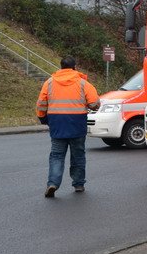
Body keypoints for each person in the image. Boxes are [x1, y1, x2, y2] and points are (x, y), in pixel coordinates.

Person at [36, 56, 100, 197]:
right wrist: (91, 106)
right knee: (78, 155)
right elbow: (95, 103)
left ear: (61, 67)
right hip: (77, 124)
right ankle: (78, 184)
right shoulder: (83, 83)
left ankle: (53, 183)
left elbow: (41, 103)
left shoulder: (49, 83)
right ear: (74, 67)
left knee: (57, 155)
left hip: (57, 123)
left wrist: (42, 118)